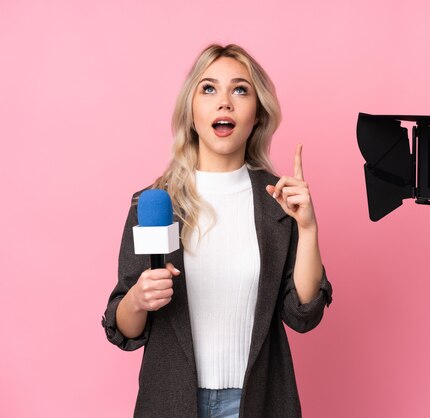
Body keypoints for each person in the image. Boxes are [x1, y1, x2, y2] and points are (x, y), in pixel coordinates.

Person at [102, 43, 333, 418]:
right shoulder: (153, 204)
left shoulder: (279, 201)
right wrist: (138, 300)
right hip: (172, 403)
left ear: (257, 115)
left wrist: (307, 228)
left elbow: (302, 314)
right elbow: (124, 329)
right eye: (208, 89)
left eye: (240, 90)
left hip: (259, 402)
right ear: (191, 112)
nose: (224, 102)